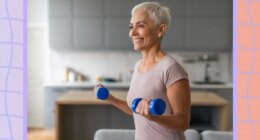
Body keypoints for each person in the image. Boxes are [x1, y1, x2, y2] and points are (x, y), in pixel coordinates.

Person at [99, 2, 191, 140]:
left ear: (160, 30)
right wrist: (110, 99)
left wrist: (154, 118)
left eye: (140, 25)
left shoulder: (170, 68)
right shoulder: (138, 66)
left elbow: (183, 122)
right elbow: (137, 110)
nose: (133, 32)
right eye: (131, 26)